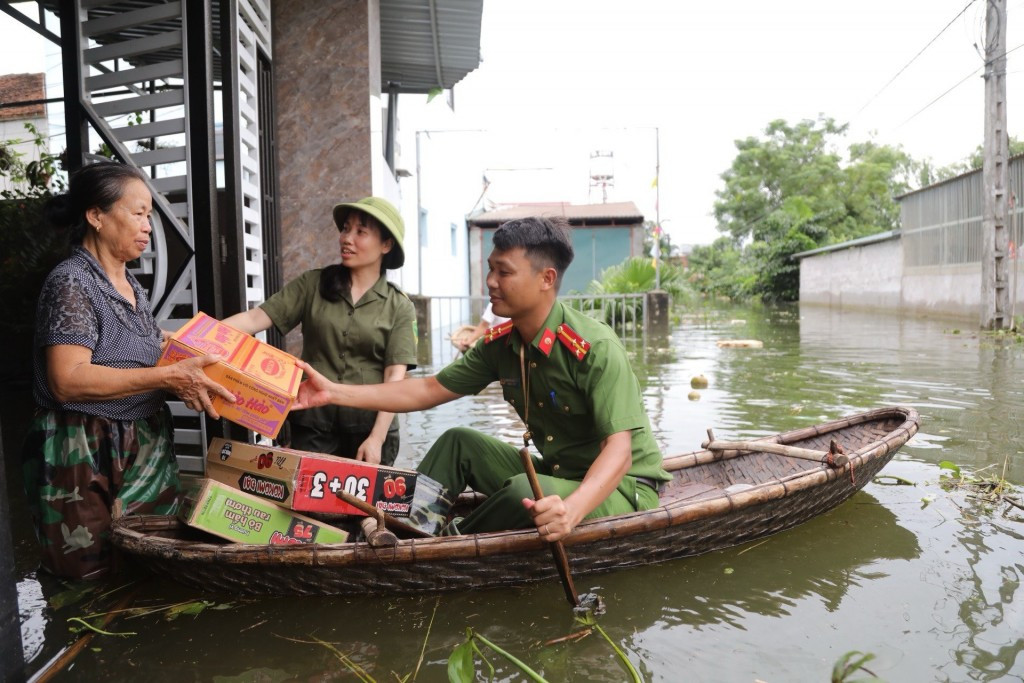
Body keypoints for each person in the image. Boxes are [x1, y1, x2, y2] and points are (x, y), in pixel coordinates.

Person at [292, 216, 670, 541]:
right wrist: (333, 392)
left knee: (523, 490)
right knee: (460, 442)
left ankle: (445, 544)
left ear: (546, 279)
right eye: (490, 268)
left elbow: (619, 452)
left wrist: (570, 512)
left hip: (621, 488)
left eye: (504, 272)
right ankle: (406, 528)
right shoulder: (501, 345)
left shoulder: (592, 347)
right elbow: (427, 388)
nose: (490, 280)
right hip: (560, 474)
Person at [22, 161, 235, 580]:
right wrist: (166, 377)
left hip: (144, 440)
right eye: (137, 213)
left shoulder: (131, 285)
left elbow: (143, 357)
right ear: (96, 215)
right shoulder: (71, 283)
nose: (148, 226)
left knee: (150, 562)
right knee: (87, 571)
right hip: (82, 445)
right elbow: (67, 380)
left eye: (150, 215)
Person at [222, 197, 416, 466]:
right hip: (313, 424)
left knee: (365, 508)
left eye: (360, 232)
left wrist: (376, 438)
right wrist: (195, 334)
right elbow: (255, 318)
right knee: (307, 507)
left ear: (386, 245)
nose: (347, 238)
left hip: (369, 428)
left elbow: (395, 377)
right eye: (346, 229)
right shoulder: (312, 285)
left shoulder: (399, 305)